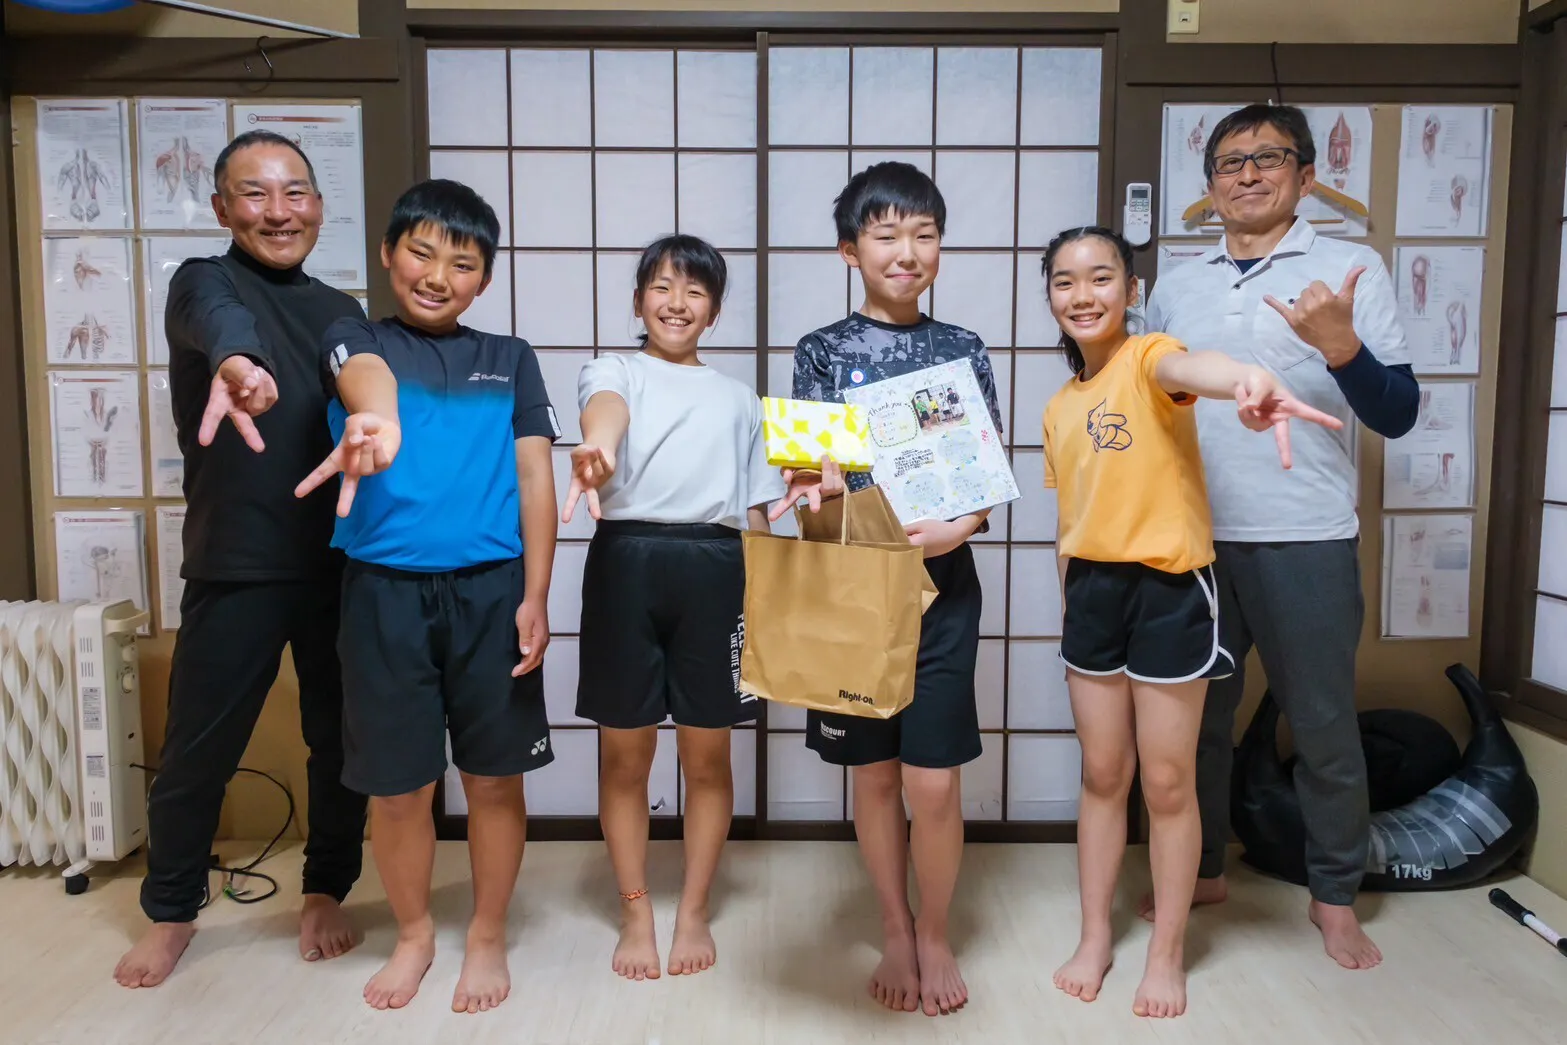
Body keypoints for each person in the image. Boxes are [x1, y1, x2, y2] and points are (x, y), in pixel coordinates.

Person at [1039, 226, 1342, 1018]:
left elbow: (1193, 369)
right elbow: (1070, 520)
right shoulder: (1059, 406)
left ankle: (1166, 952)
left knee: (1167, 780)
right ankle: (1094, 937)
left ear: (1130, 291)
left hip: (1170, 591)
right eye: (1065, 281)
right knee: (1102, 775)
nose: (1082, 294)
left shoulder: (1149, 359)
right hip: (1092, 594)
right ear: (1050, 297)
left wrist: (1246, 377)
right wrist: (1069, 602)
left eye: (1100, 277)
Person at [1143, 103, 1420, 970]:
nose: (1248, 174)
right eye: (1230, 163)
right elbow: (1145, 404)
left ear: (1304, 174)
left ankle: (1334, 895)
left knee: (1323, 723)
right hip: (1191, 539)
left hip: (1304, 534)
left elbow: (1398, 413)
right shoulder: (1175, 283)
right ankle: (1203, 869)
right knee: (1197, 723)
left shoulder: (1347, 268)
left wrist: (1342, 348)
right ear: (1210, 185)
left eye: (1268, 158)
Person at [114, 131, 369, 989]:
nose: (278, 211)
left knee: (339, 741)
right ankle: (170, 910)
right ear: (223, 208)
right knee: (197, 749)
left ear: (318, 206)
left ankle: (326, 887)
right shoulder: (203, 282)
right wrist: (237, 364)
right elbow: (217, 326)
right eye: (255, 194)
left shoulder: (342, 311)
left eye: (294, 192)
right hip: (236, 562)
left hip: (339, 562)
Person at [302, 179, 561, 1013]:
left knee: (493, 779)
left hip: (493, 593)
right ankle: (414, 933)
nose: (438, 275)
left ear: (483, 278)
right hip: (382, 595)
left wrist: (537, 593)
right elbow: (365, 379)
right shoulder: (353, 336)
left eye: (463, 262)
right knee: (397, 786)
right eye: (421, 252)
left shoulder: (510, 357)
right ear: (388, 254)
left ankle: (486, 932)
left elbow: (534, 476)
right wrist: (377, 421)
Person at [770, 162, 1003, 1018]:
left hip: (943, 581)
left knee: (931, 780)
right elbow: (806, 474)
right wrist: (813, 479)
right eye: (886, 234)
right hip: (854, 583)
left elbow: (983, 480)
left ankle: (935, 929)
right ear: (850, 250)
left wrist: (956, 529)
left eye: (923, 234)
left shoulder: (963, 347)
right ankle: (895, 925)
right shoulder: (820, 350)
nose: (906, 251)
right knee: (872, 776)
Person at [562, 234, 785, 982]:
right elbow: (605, 414)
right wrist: (597, 448)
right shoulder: (614, 369)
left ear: (713, 311)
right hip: (626, 561)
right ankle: (635, 909)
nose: (676, 303)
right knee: (625, 755)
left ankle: (692, 908)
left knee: (707, 754)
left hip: (717, 567)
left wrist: (773, 595)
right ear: (638, 302)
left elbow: (758, 509)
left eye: (694, 291)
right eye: (661, 287)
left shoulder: (740, 398)